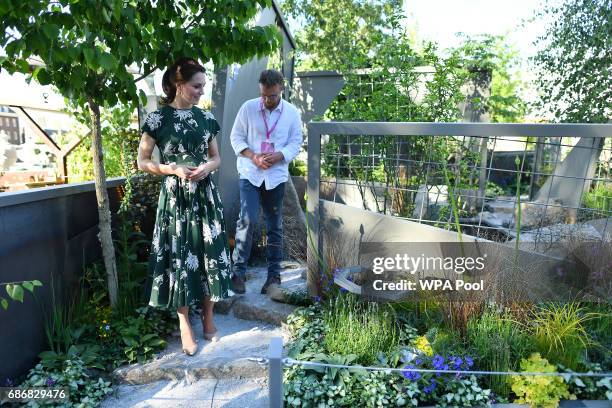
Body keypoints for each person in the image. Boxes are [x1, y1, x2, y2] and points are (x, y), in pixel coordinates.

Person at [137, 57, 234, 356]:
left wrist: (206, 167)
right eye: (196, 86)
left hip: (205, 196)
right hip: (176, 198)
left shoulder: (205, 119)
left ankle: (208, 316)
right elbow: (142, 162)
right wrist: (172, 169)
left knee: (210, 256)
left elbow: (217, 158)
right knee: (179, 256)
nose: (201, 92)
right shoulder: (157, 120)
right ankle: (184, 324)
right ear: (179, 85)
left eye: (203, 86)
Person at [230, 69, 303, 295]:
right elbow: (236, 137)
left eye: (271, 96)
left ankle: (273, 277)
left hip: (276, 176)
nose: (267, 100)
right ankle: (238, 274)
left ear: (281, 88)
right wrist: (253, 156)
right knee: (247, 220)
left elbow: (295, 142)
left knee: (275, 226)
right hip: (250, 173)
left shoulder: (292, 113)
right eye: (263, 95)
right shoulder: (248, 108)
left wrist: (280, 155)